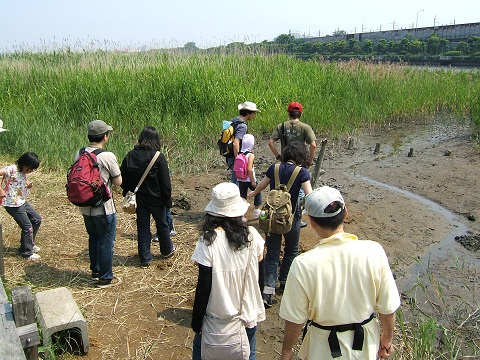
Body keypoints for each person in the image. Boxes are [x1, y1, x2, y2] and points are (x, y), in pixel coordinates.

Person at [279, 186, 401, 360]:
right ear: (345, 214)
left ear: (312, 222)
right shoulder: (374, 251)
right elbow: (387, 307)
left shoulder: (304, 264)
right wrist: (387, 339)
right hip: (366, 347)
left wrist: (286, 351)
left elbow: (295, 319)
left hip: (323, 350)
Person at [191, 182, 265, 360]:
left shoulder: (208, 241)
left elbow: (204, 286)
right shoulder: (252, 236)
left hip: (216, 317)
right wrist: (256, 303)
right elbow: (259, 277)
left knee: (201, 351)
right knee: (248, 353)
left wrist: (196, 320)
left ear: (213, 213)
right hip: (246, 314)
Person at [248, 141, 312, 308]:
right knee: (291, 249)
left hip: (271, 218)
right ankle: (284, 281)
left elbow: (262, 185)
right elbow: (309, 194)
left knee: (272, 254)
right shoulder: (302, 172)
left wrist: (253, 193)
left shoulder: (274, 168)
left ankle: (267, 292)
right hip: (292, 218)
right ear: (301, 157)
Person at [121, 126, 176, 268]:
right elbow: (165, 183)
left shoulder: (130, 155)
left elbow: (123, 178)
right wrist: (167, 199)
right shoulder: (158, 157)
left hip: (139, 198)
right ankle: (166, 250)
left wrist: (128, 190)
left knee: (143, 226)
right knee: (162, 224)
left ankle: (145, 258)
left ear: (141, 138)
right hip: (156, 198)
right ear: (156, 139)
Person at [76, 120, 122, 288]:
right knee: (106, 241)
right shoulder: (107, 156)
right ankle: (105, 277)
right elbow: (118, 181)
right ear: (105, 137)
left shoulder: (80, 153)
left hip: (85, 207)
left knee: (93, 237)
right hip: (104, 208)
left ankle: (95, 270)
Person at [269, 102, 317, 228]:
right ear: (300, 113)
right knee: (300, 191)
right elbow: (313, 145)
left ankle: (278, 212)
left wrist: (278, 156)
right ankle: (296, 217)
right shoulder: (305, 127)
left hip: (285, 161)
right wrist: (310, 160)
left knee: (282, 188)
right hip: (300, 162)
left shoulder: (282, 126)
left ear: (288, 113)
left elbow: (270, 142)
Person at [0, 152, 41, 260]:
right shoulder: (11, 169)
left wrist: (29, 185)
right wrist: (0, 190)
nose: (32, 171)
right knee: (27, 227)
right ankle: (27, 252)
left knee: (36, 219)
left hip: (21, 201)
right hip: (12, 204)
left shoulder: (22, 172)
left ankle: (29, 244)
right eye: (31, 168)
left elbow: (19, 182)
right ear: (24, 164)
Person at [227, 101, 261, 185]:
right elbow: (236, 143)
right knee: (237, 181)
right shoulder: (242, 126)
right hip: (234, 156)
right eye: (253, 113)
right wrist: (238, 159)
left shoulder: (234, 120)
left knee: (236, 179)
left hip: (229, 154)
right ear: (248, 113)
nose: (254, 115)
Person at [236, 134, 262, 219]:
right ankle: (256, 211)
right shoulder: (250, 155)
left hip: (240, 179)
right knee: (257, 192)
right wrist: (253, 181)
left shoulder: (239, 153)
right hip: (249, 179)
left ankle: (242, 216)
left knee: (242, 197)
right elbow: (249, 169)